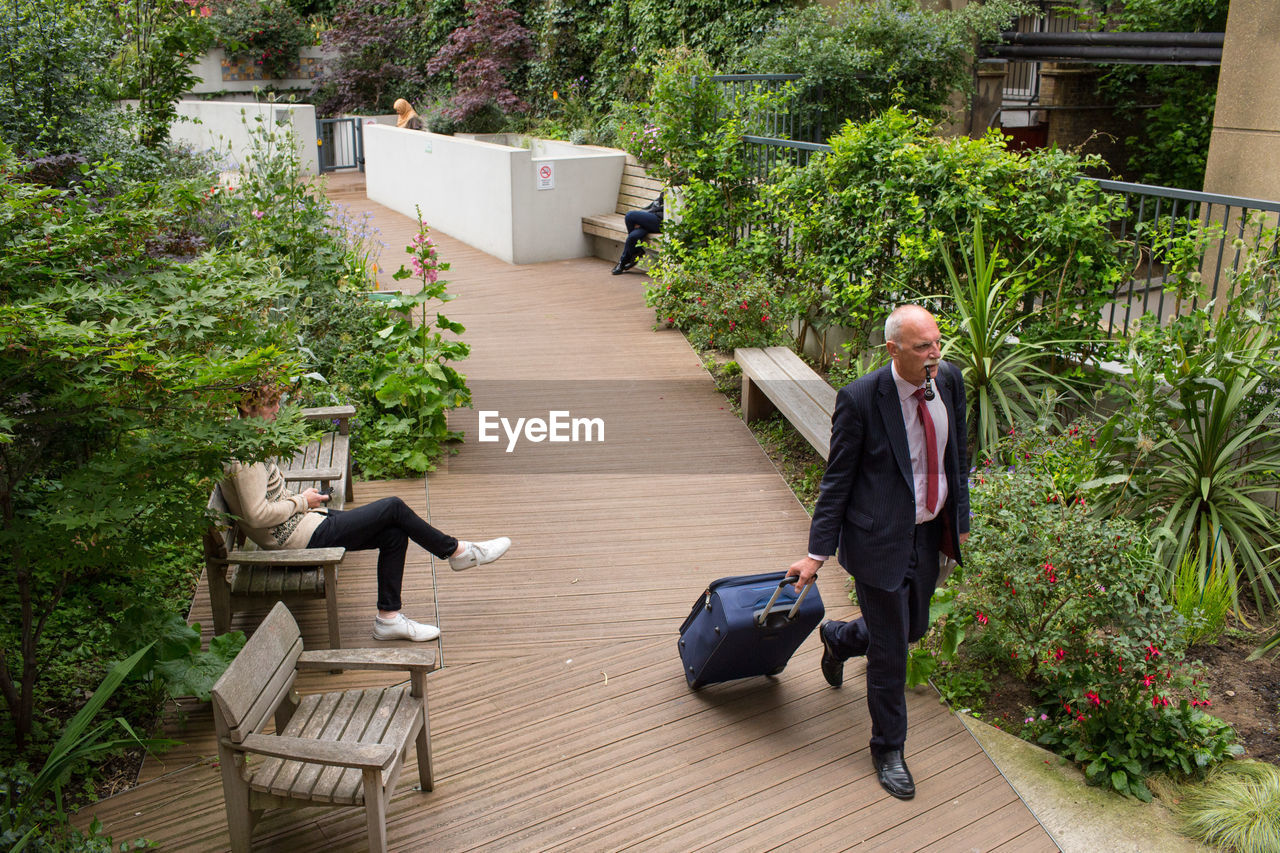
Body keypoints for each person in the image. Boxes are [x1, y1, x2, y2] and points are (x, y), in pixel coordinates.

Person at [787, 304, 969, 801]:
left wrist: (961, 523)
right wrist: (816, 554)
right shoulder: (862, 398)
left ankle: (841, 639)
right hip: (876, 540)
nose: (934, 354)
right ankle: (888, 749)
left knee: (914, 628)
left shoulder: (948, 380)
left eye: (937, 342)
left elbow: (958, 455)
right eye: (922, 347)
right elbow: (837, 480)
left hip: (927, 534)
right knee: (890, 653)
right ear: (893, 350)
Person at [221, 384, 510, 642]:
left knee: (394, 533)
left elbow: (263, 505)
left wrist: (302, 502)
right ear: (248, 406)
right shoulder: (244, 458)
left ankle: (388, 619)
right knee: (393, 507)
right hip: (295, 541)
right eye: (270, 404)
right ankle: (457, 552)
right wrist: (301, 502)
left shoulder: (248, 442)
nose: (277, 410)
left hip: (302, 525)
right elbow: (257, 515)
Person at [612, 193, 663, 275]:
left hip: (660, 221)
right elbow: (656, 204)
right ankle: (625, 260)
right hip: (652, 218)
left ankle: (628, 258)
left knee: (630, 215)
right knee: (633, 236)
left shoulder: (677, 185)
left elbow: (662, 207)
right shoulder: (669, 185)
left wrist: (640, 220)